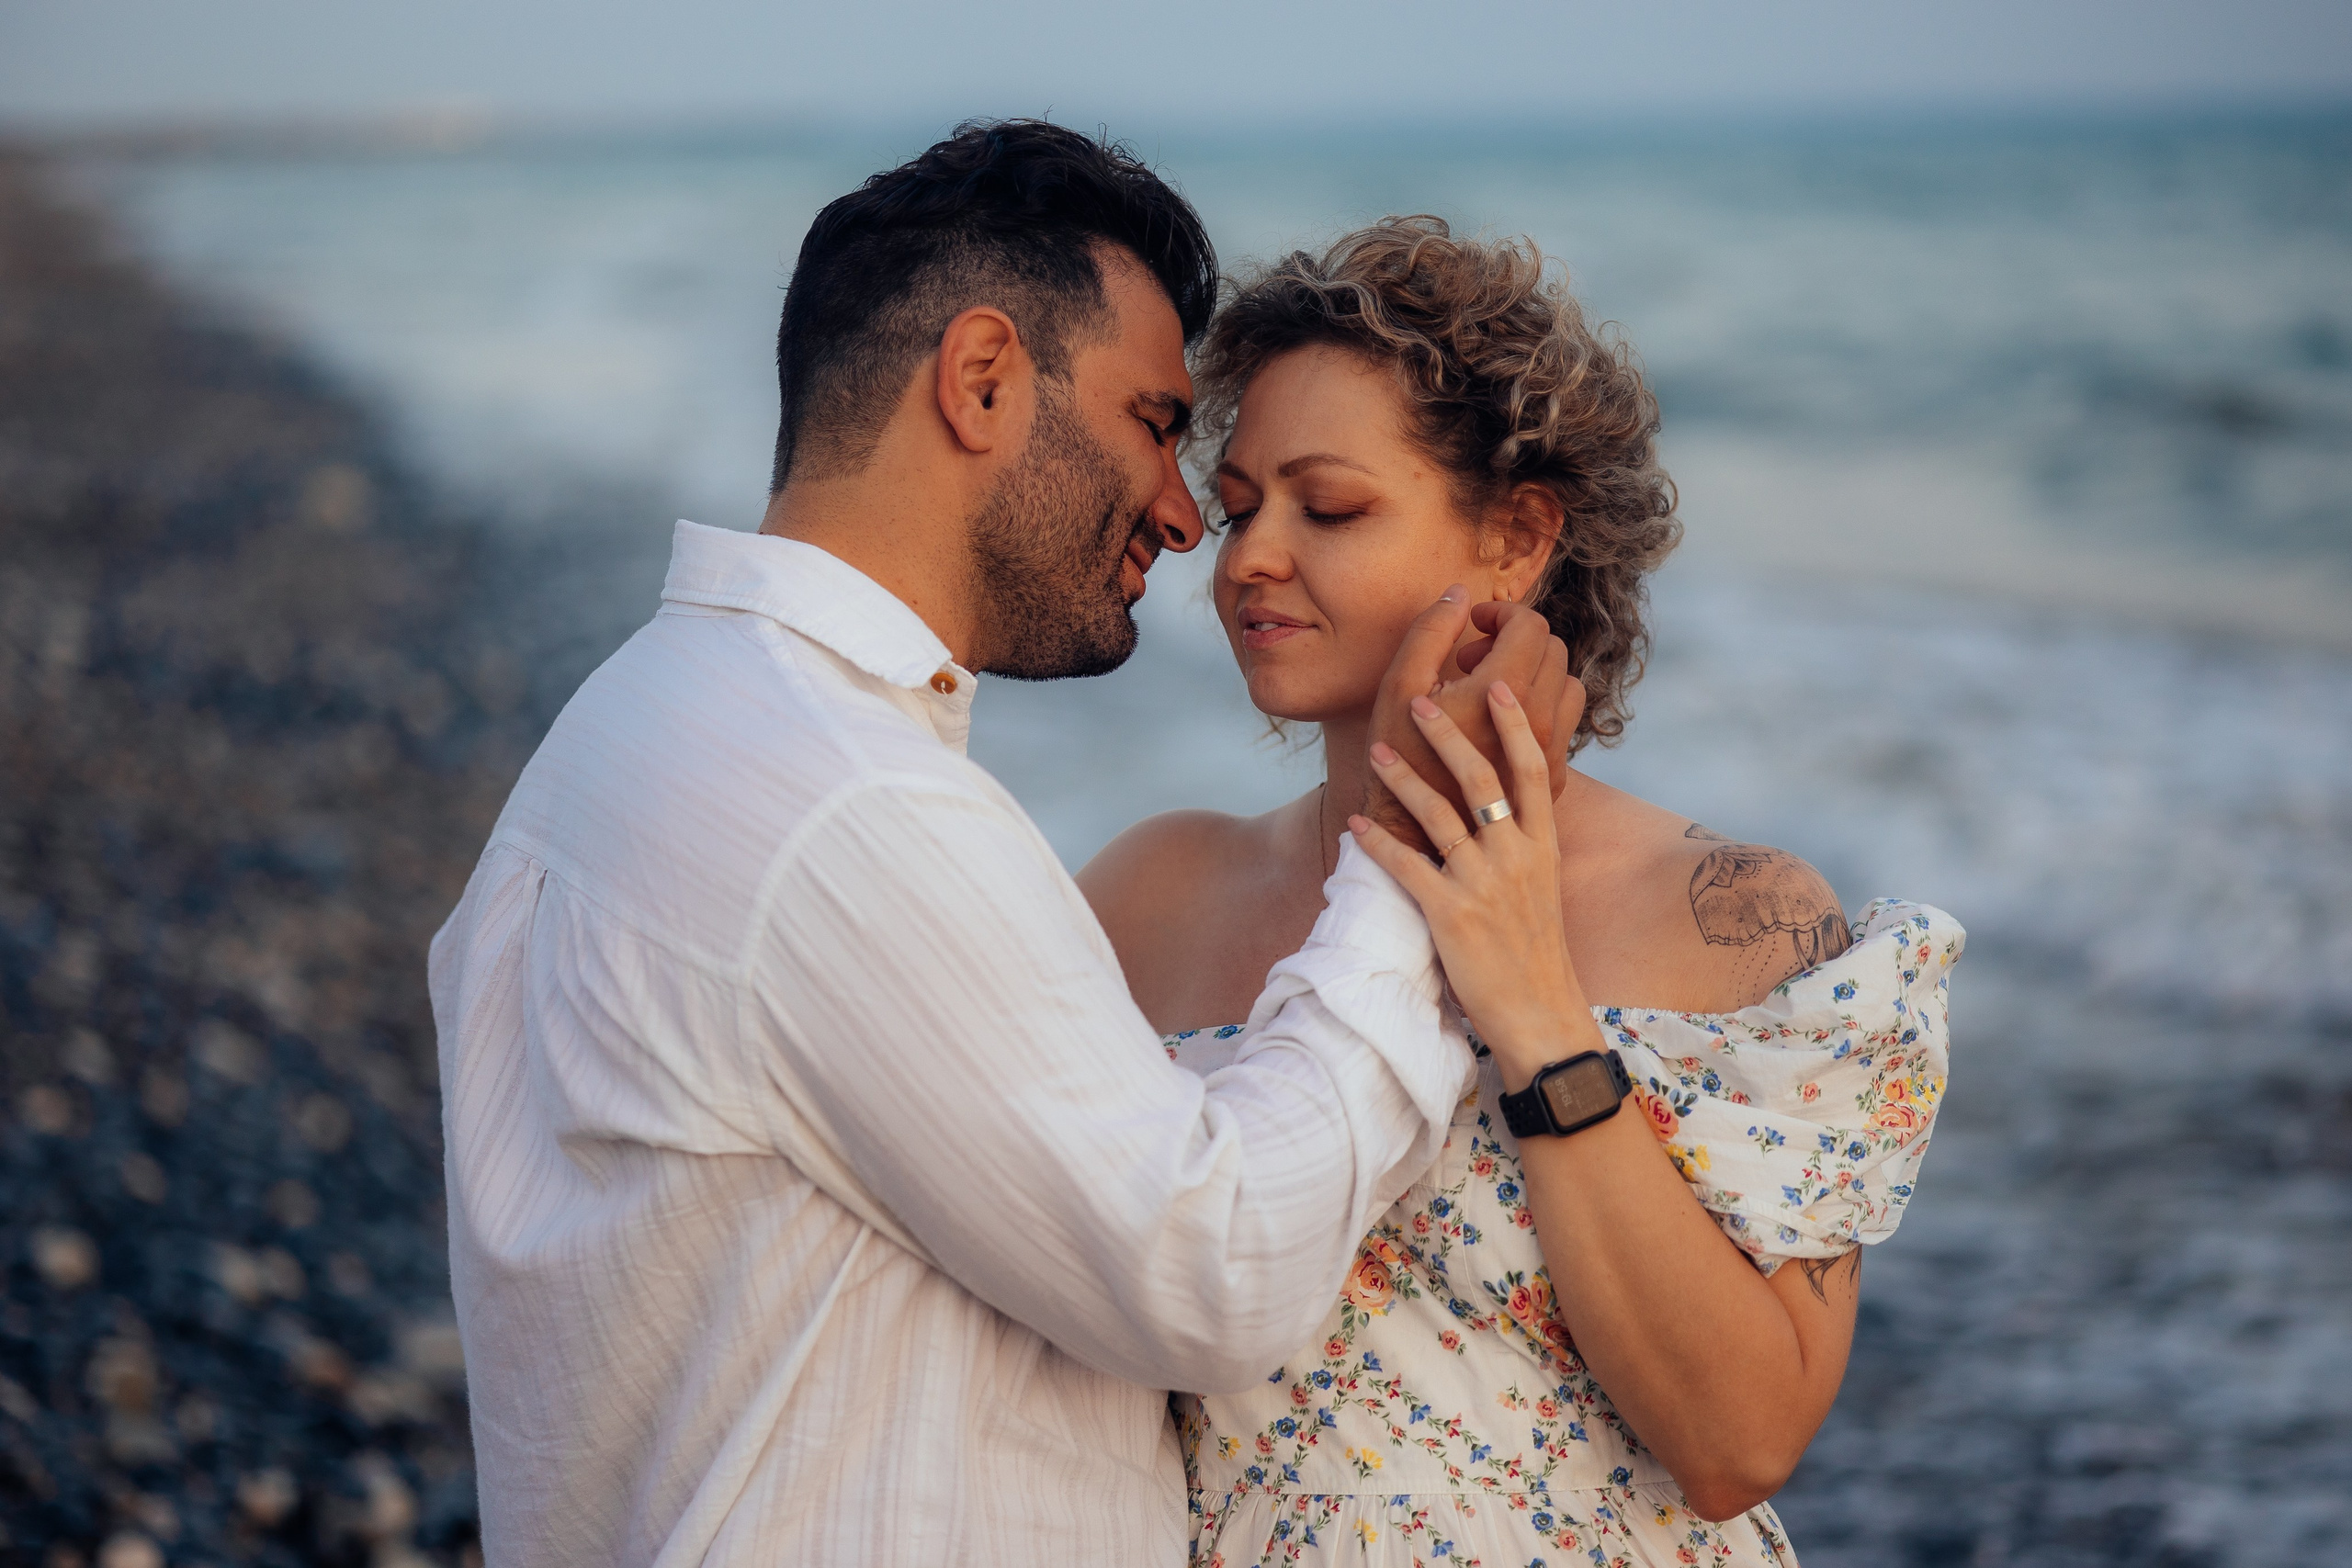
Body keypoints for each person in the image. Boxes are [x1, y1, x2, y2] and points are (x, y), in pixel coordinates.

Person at [428, 127, 1583, 1566]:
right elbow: (1216, 1266)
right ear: (982, 382)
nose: (1181, 517)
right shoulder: (844, 805)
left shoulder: (627, 738)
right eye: (1156, 425)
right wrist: (1419, 844)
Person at [1080, 218, 1963, 1565]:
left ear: (1518, 540)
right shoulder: (1150, 895)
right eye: (1244, 503)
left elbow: (1738, 1445)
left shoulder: (1733, 920)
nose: (1249, 556)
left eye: (1329, 508)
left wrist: (1533, 1002)